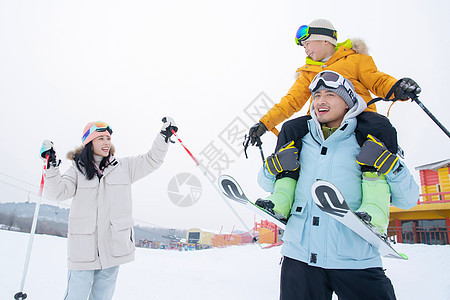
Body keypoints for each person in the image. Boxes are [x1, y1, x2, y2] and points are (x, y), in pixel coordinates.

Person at [257, 71, 419, 299]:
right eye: (317, 95)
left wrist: (390, 164)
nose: (321, 101)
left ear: (348, 101)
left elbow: (409, 199)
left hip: (356, 260)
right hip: (300, 258)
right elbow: (265, 185)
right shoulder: (299, 136)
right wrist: (271, 167)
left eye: (331, 94)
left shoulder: (368, 136)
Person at [40, 118, 178, 300]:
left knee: (102, 297)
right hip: (83, 249)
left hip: (113, 247)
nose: (106, 142)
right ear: (89, 142)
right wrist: (50, 167)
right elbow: (57, 193)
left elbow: (152, 160)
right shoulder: (77, 171)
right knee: (76, 295)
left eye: (108, 138)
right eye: (101, 138)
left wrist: (163, 137)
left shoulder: (124, 167)